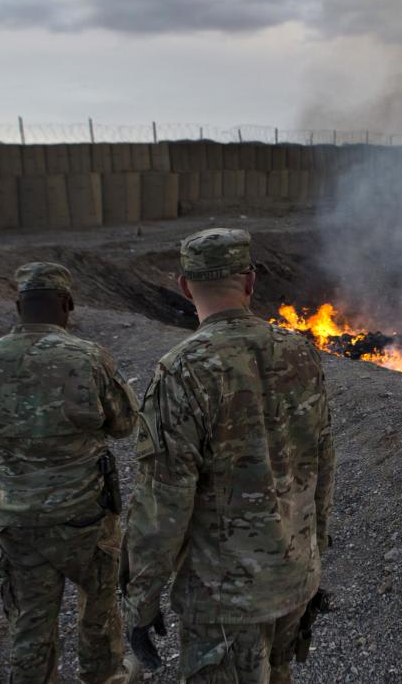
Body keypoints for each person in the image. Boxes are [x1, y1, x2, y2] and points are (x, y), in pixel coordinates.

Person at [122, 228, 334, 683]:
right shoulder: (302, 354)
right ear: (251, 282)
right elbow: (322, 466)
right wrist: (314, 560)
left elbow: (164, 501)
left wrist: (143, 599)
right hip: (294, 580)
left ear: (184, 285)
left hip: (226, 599)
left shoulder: (182, 370)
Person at [0, 262, 139, 684]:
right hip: (82, 516)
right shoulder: (87, 357)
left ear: (19, 305)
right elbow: (125, 423)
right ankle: (104, 676)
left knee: (30, 615)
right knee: (99, 604)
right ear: (67, 304)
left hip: (15, 516)